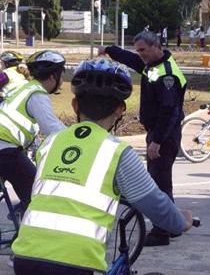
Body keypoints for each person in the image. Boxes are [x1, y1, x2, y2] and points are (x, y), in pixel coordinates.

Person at [12, 58, 194, 275]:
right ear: (120, 110)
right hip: (73, 262)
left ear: (75, 105)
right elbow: (156, 204)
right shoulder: (118, 153)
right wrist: (181, 222)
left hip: (25, 256)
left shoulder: (50, 143)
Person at [98, 30, 186, 247]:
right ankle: (171, 226)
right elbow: (133, 61)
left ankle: (161, 231)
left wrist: (156, 141)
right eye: (138, 50)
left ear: (156, 46)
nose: (140, 55)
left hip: (163, 135)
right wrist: (110, 50)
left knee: (158, 182)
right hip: (158, 133)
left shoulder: (167, 75)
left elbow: (169, 112)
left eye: (143, 50)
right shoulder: (153, 66)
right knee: (162, 180)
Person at [0, 50, 66, 212]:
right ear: (53, 76)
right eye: (61, 76)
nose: (63, 81)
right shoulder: (37, 94)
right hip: (4, 150)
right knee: (37, 197)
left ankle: (21, 215)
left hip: (5, 148)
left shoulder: (26, 88)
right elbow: (53, 129)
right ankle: (26, 230)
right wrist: (83, 139)